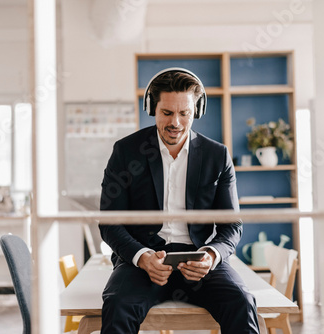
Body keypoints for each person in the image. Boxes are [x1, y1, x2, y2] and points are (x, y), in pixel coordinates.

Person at [99, 68, 260, 333]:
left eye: (184, 113)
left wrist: (210, 255)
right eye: (167, 113)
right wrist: (141, 257)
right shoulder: (126, 152)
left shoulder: (217, 156)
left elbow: (232, 226)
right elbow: (109, 223)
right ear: (152, 109)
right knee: (117, 305)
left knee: (241, 302)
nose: (176, 122)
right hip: (143, 261)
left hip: (199, 261)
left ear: (196, 110)